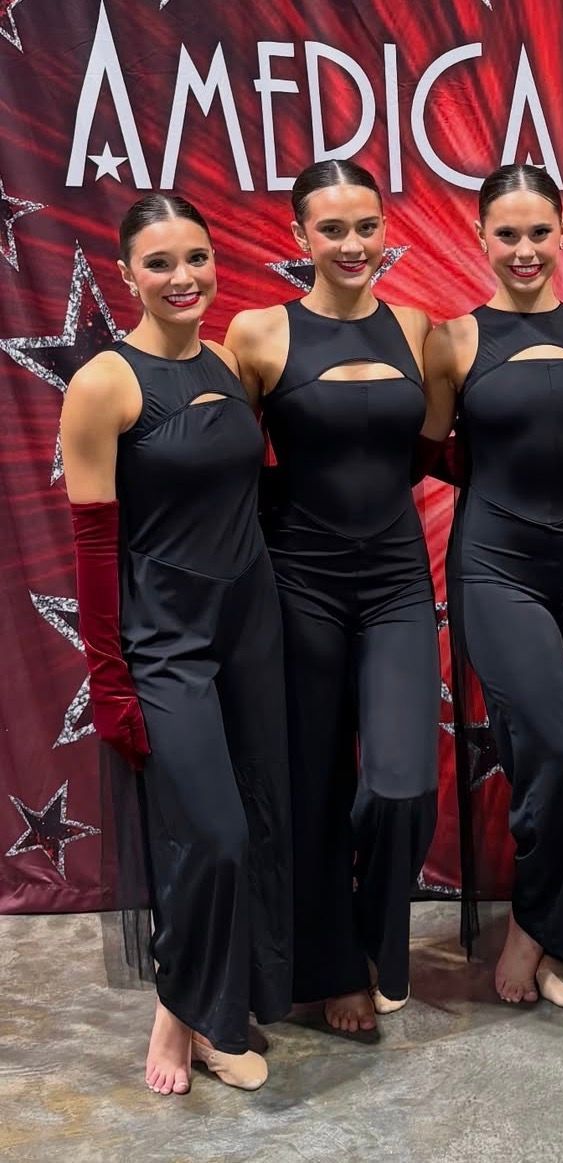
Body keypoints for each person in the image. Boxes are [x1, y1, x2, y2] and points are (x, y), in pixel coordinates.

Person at [62, 195, 291, 1093]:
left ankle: (202, 1007)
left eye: (196, 257)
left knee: (257, 822)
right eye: (159, 263)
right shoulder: (105, 384)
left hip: (252, 627)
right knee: (213, 833)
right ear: (127, 275)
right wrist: (110, 680)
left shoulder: (229, 360)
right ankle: (187, 1015)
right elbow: (92, 547)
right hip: (165, 642)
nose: (183, 276)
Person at [224, 160, 438, 1034]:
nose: (353, 244)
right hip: (298, 583)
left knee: (400, 784)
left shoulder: (416, 327)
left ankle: (380, 940)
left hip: (396, 580)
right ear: (300, 236)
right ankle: (336, 966)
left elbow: (425, 450)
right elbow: (230, 462)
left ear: (386, 229)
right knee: (312, 785)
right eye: (333, 228)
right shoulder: (257, 333)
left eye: (367, 226)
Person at [421, 163, 563, 1007]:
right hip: (494, 565)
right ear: (482, 238)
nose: (525, 248)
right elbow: (431, 446)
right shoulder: (454, 340)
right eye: (508, 234)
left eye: (540, 231)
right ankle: (533, 924)